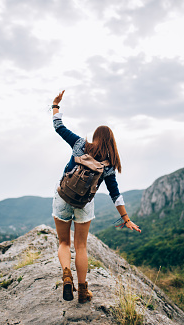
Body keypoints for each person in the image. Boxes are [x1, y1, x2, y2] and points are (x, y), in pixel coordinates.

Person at [50, 90, 141, 303]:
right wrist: (126, 219)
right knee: (81, 246)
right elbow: (115, 195)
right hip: (84, 205)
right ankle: (82, 291)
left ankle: (66, 276)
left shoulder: (80, 144)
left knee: (64, 242)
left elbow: (58, 127)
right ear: (111, 142)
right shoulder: (108, 166)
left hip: (63, 197)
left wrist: (55, 105)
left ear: (96, 137)